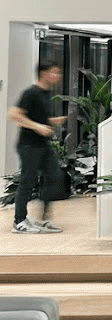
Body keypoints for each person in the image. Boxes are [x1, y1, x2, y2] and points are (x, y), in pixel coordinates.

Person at [7, 60, 67, 233]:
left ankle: (45, 219)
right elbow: (13, 114)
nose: (58, 76)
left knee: (55, 175)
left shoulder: (46, 93)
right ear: (44, 74)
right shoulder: (31, 93)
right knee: (28, 180)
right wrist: (37, 127)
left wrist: (50, 122)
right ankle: (19, 222)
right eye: (54, 72)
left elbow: (38, 117)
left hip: (43, 144)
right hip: (28, 145)